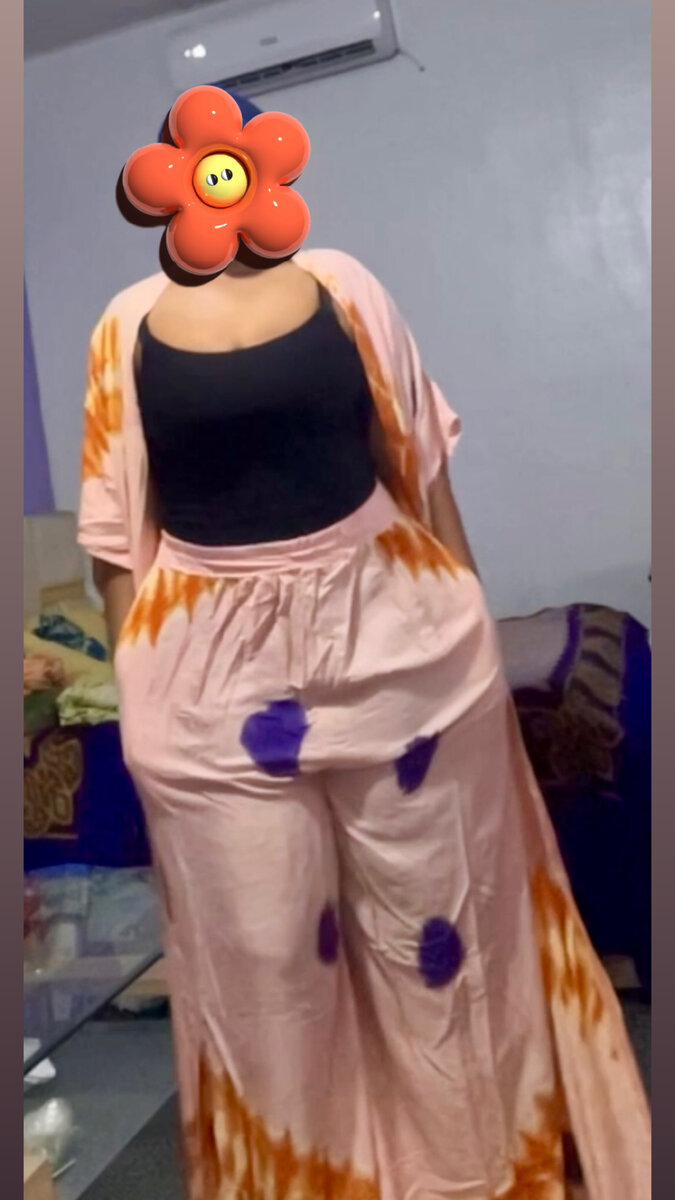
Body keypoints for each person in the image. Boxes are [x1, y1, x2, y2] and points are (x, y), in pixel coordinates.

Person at [78, 96, 649, 1200]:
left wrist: (470, 624)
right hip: (211, 683)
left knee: (442, 946)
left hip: (397, 646)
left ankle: (481, 1178)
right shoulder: (125, 324)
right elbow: (114, 536)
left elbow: (419, 468)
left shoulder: (346, 286)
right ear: (167, 176)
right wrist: (136, 694)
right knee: (265, 972)